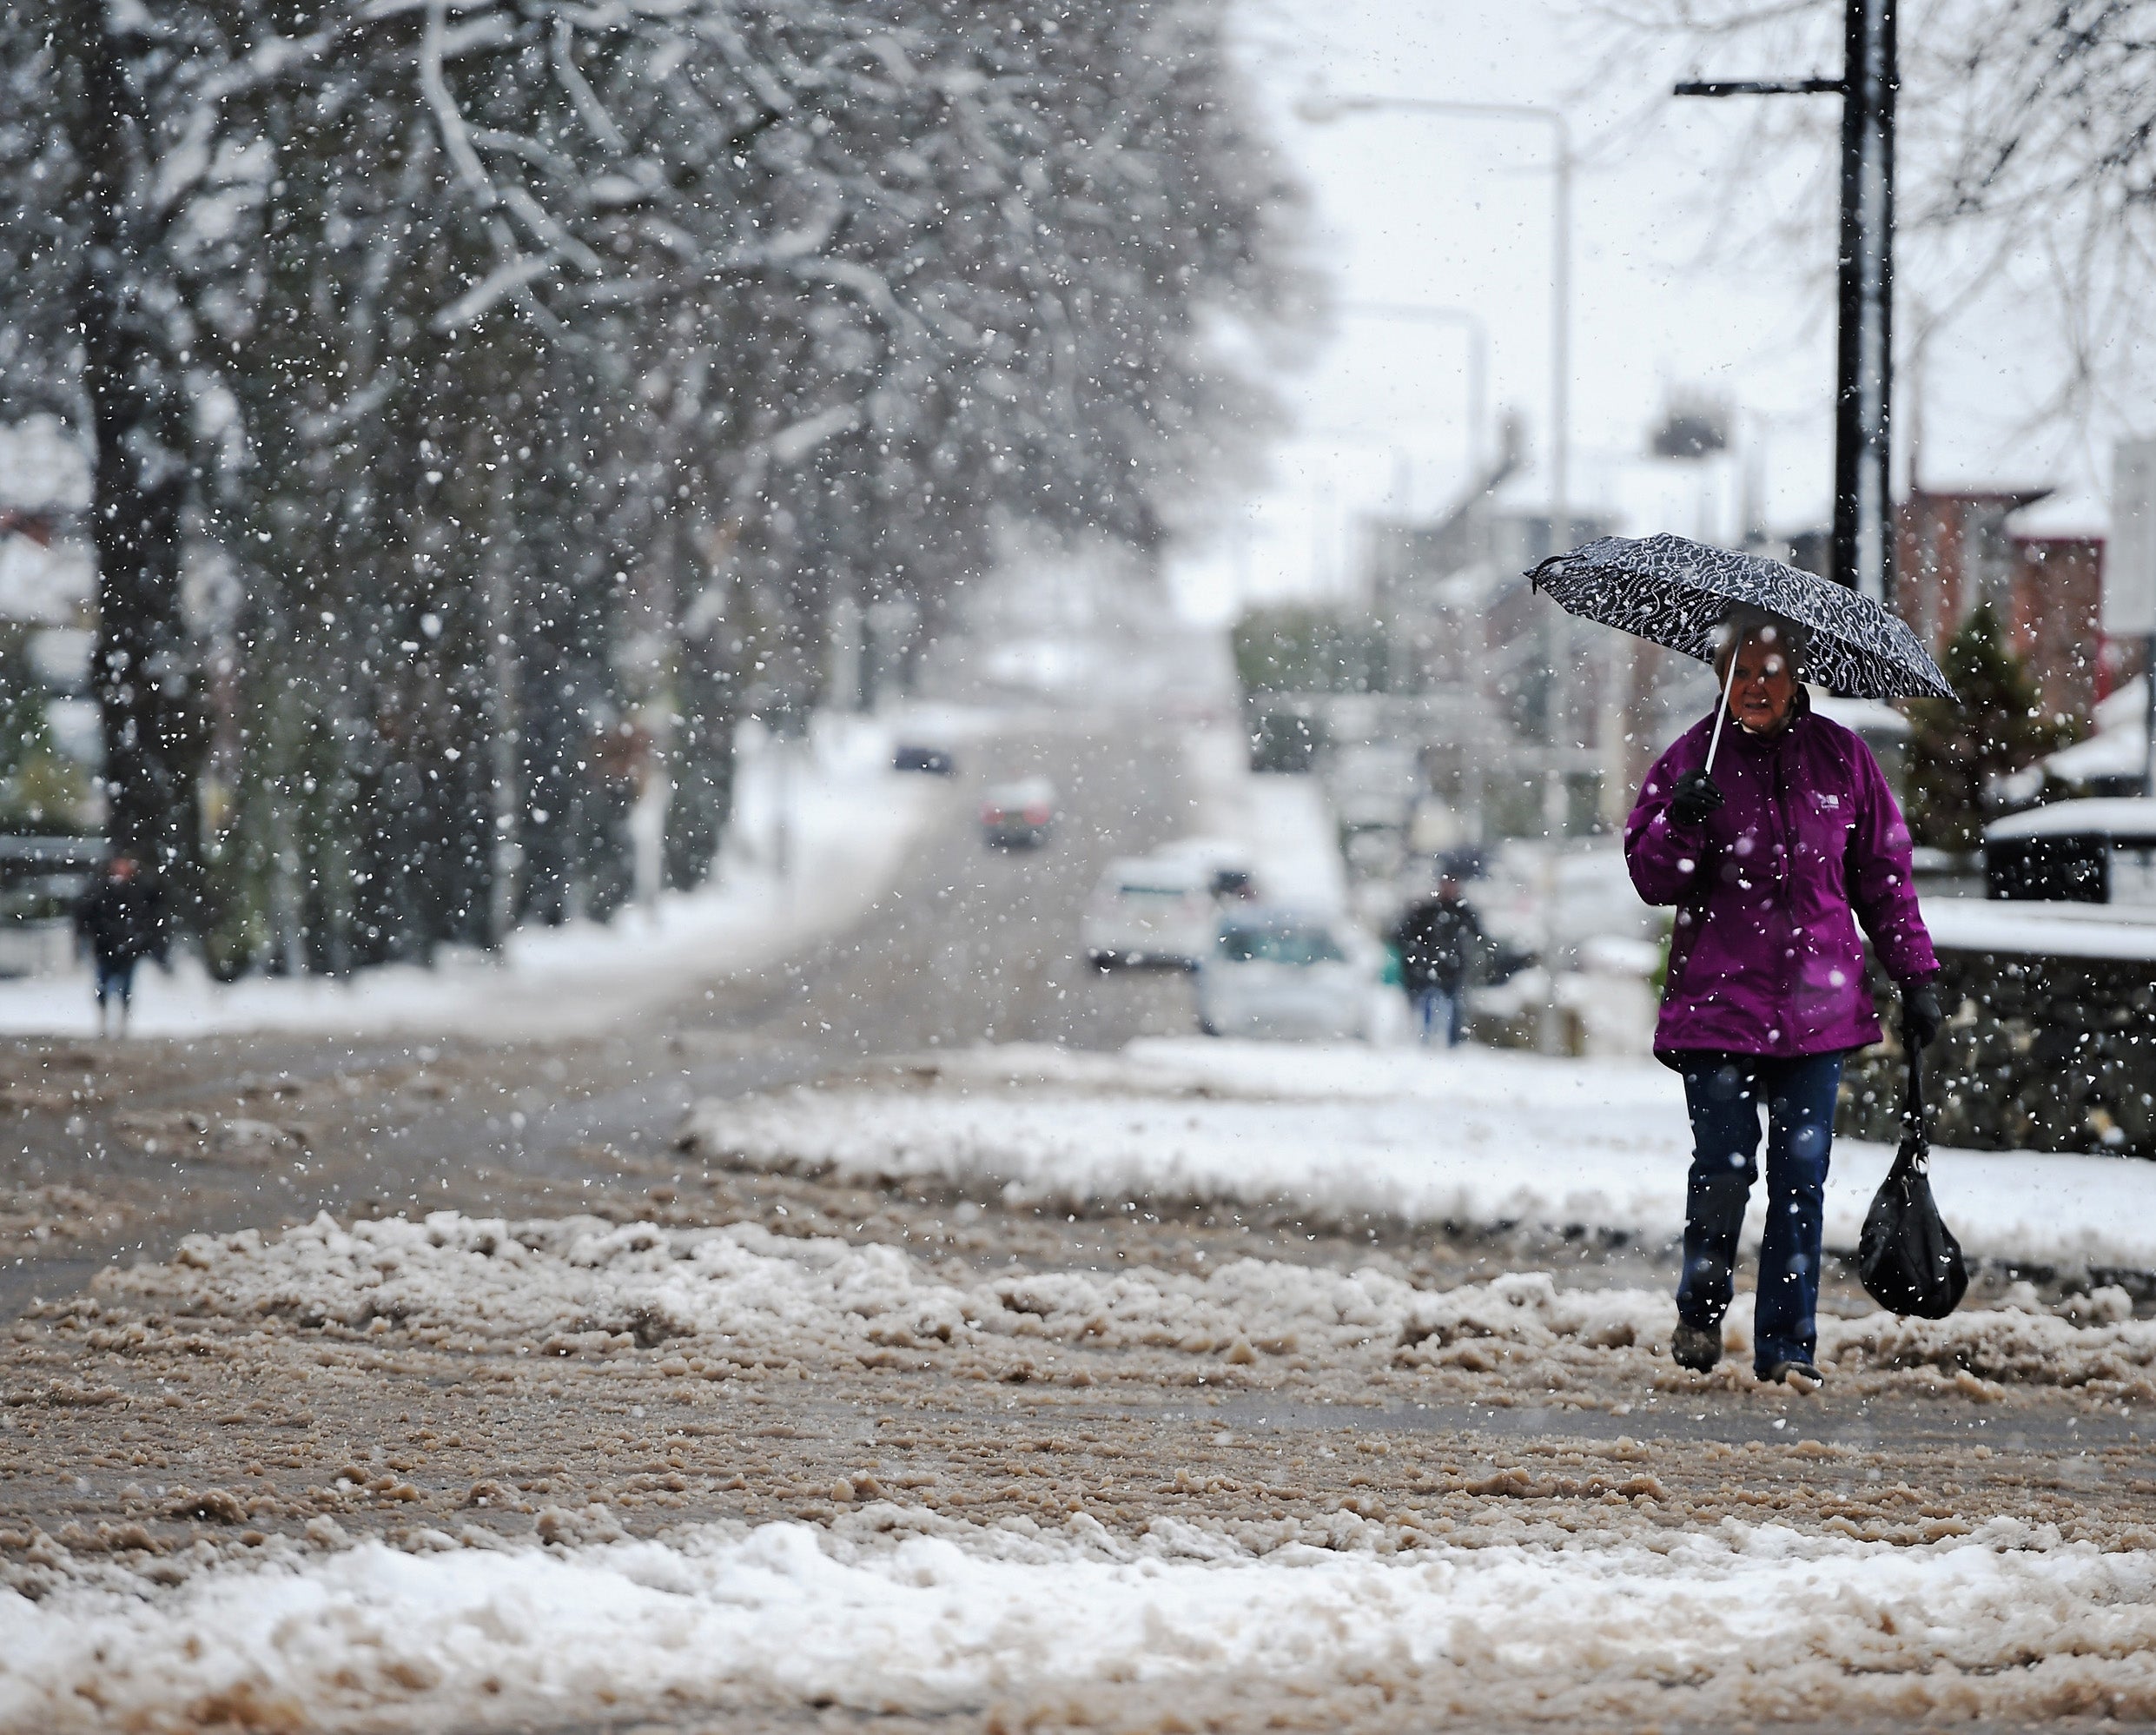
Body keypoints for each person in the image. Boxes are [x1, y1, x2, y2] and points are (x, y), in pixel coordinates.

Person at [1624, 615, 1942, 1392]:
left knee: (1801, 1181)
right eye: (1740, 671)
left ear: (1799, 675)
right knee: (1724, 1173)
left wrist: (1917, 974)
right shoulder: (1690, 759)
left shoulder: (1843, 758)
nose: (1755, 687)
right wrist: (1681, 823)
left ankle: (1787, 1349)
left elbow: (1883, 879)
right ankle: (1701, 1307)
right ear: (1721, 678)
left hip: (1818, 1014)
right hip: (1719, 1008)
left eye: (1769, 670)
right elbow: (1652, 878)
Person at [74, 856, 168, 1038]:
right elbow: (87, 913)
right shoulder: (101, 890)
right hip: (106, 947)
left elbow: (150, 916)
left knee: (125, 988)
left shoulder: (140, 890)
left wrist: (141, 939)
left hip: (128, 948)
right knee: (103, 987)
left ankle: (122, 1022)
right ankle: (104, 1021)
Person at [1388, 877, 1482, 1048]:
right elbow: (1405, 933)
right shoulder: (1429, 911)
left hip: (1450, 969)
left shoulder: (1460, 912)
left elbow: (1477, 933)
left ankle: (1450, 1043)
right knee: (1431, 1005)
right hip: (1431, 968)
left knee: (1451, 1006)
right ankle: (1427, 1039)